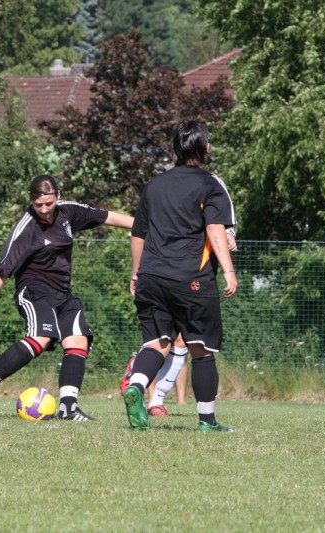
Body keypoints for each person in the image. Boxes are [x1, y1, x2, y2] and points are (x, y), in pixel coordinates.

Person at [0, 174, 134, 421]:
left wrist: (147, 226)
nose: (44, 209)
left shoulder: (69, 212)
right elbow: (1, 271)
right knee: (41, 338)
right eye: (38, 204)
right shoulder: (26, 227)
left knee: (78, 341)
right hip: (33, 290)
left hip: (63, 293)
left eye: (49, 203)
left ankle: (68, 408)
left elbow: (109, 217)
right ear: (31, 200)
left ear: (58, 196)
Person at [124, 120, 238, 431]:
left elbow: (138, 233)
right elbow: (215, 228)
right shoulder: (210, 184)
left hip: (151, 276)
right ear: (206, 148)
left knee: (157, 344)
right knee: (201, 350)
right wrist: (228, 270)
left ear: (175, 149)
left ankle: (136, 386)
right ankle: (207, 421)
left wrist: (136, 273)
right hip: (192, 279)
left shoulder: (154, 185)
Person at [119, 209, 237, 417]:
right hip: (187, 277)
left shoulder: (166, 191)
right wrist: (228, 269)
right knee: (186, 343)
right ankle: (196, 414)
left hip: (158, 274)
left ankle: (143, 388)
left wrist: (229, 234)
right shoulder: (207, 189)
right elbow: (214, 226)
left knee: (173, 340)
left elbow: (220, 225)